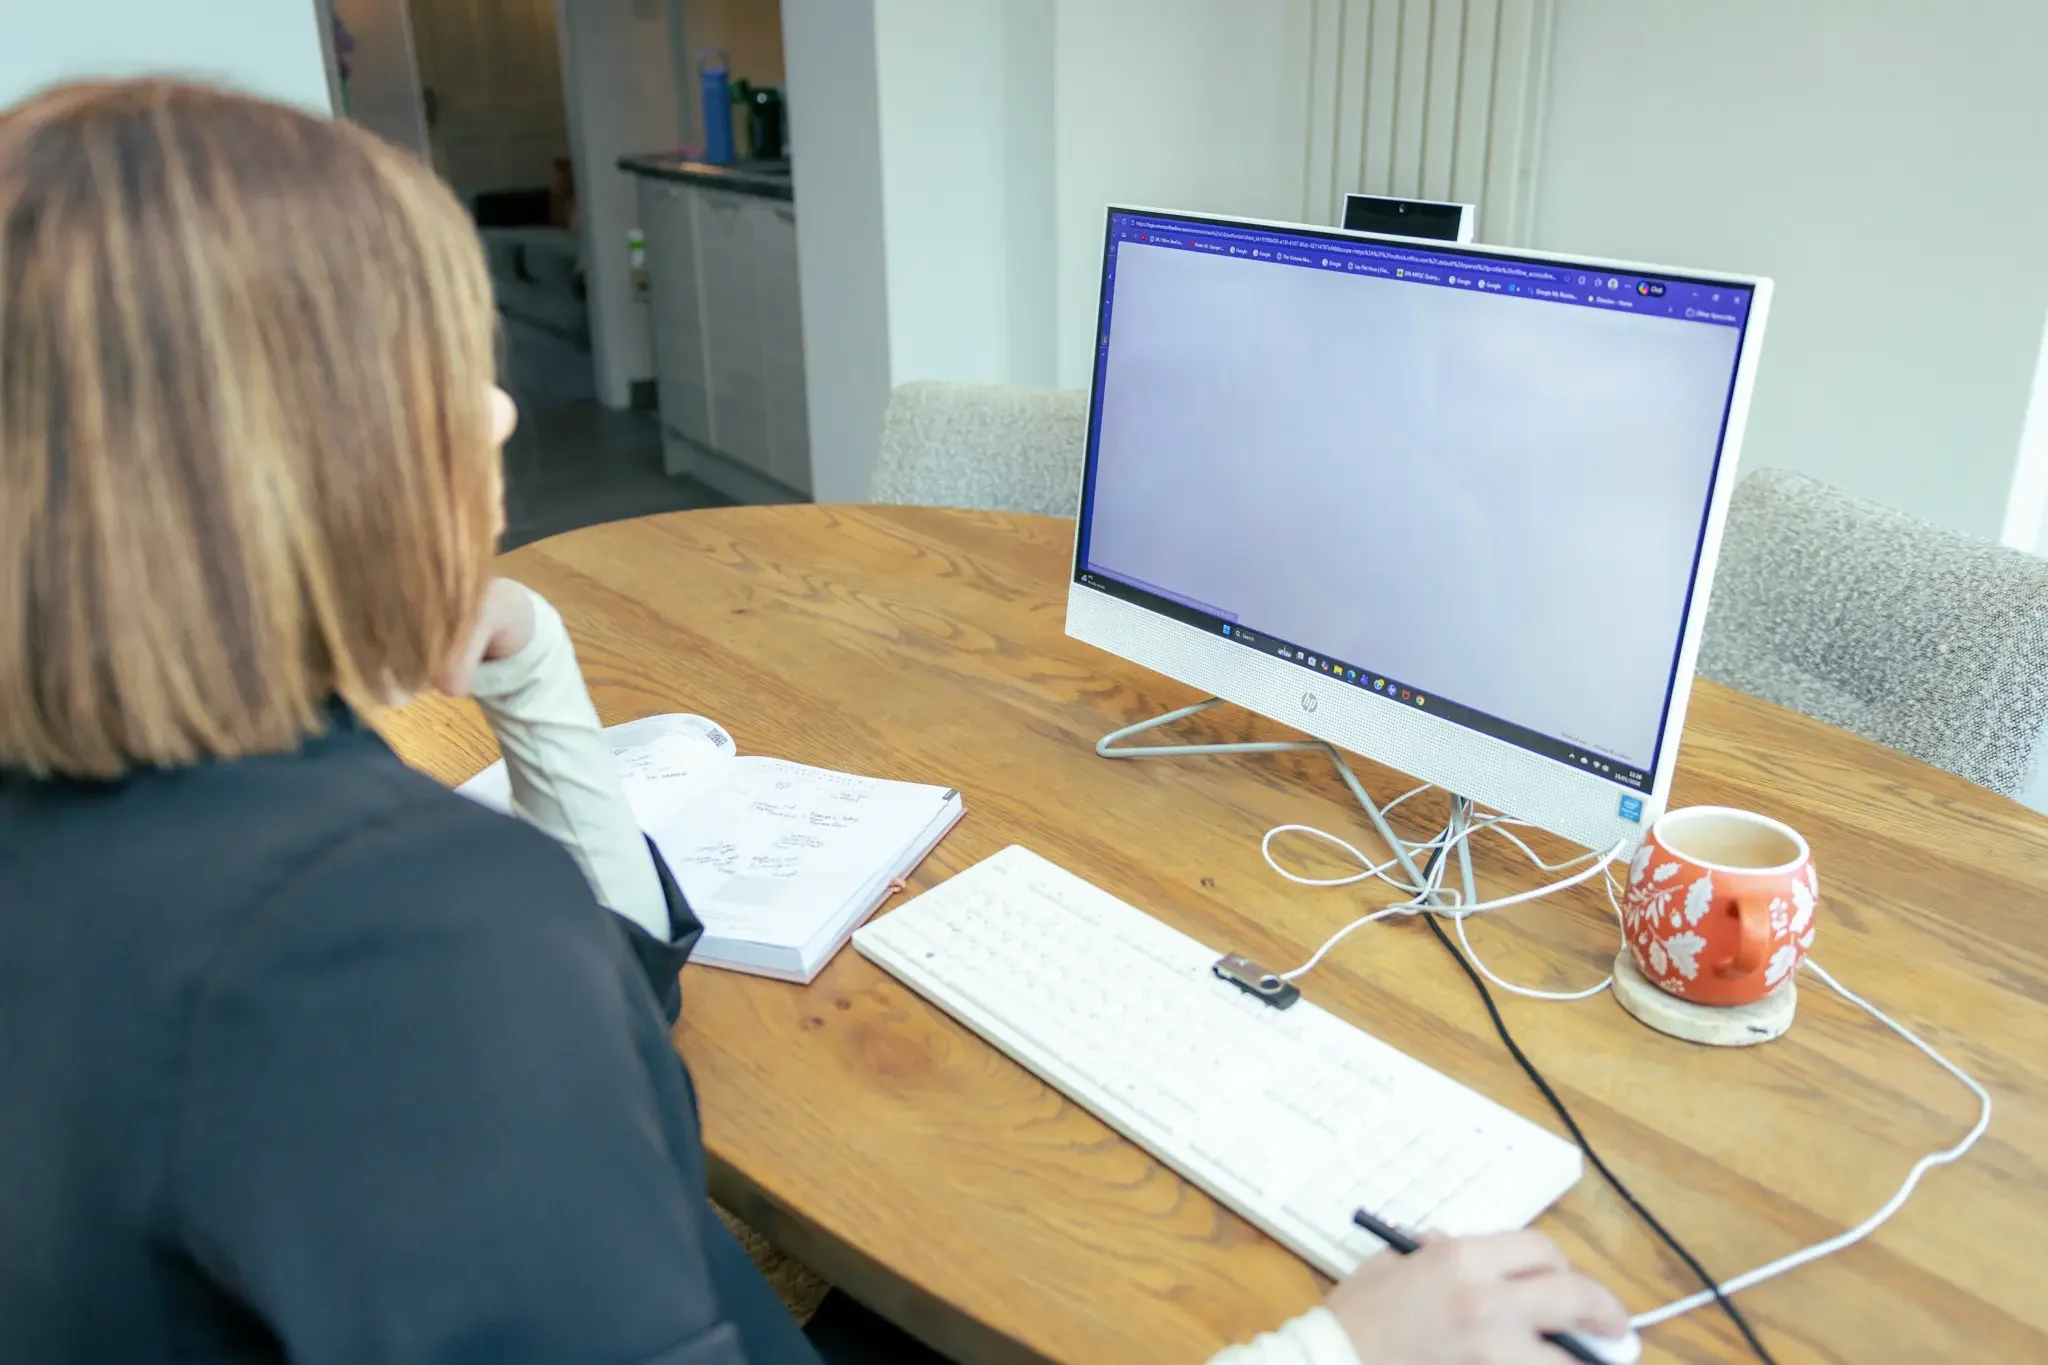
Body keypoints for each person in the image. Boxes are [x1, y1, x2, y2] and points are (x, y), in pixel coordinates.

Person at [0, 80, 1629, 1364]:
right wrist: (1342, 1346)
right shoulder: (394, 945)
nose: (499, 411)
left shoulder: (150, 820)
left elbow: (621, 981)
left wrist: (534, 677)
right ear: (292, 472)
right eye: (442, 374)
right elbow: (561, 992)